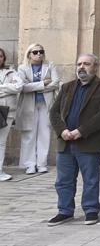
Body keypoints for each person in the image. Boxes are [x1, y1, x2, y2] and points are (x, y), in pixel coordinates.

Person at [48, 54, 100, 226]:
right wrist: (62, 130)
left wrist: (81, 131)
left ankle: (91, 210)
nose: (82, 67)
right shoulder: (67, 87)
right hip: (66, 142)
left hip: (89, 142)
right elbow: (54, 112)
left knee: (90, 179)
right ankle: (65, 211)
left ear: (95, 67)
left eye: (86, 64)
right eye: (79, 64)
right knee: (63, 180)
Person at [17, 42, 60, 175]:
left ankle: (42, 163)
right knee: (29, 134)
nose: (39, 54)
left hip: (45, 104)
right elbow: (23, 87)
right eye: (35, 52)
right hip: (29, 105)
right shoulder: (22, 68)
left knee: (44, 133)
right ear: (29, 54)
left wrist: (34, 86)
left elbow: (56, 82)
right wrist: (42, 84)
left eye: (41, 51)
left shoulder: (49, 65)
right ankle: (29, 164)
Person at [0, 47, 24, 181]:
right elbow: (12, 88)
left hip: (7, 111)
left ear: (4, 58)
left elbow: (18, 87)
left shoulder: (11, 72)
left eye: (0, 56)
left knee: (1, 142)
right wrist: (8, 88)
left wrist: (1, 88)